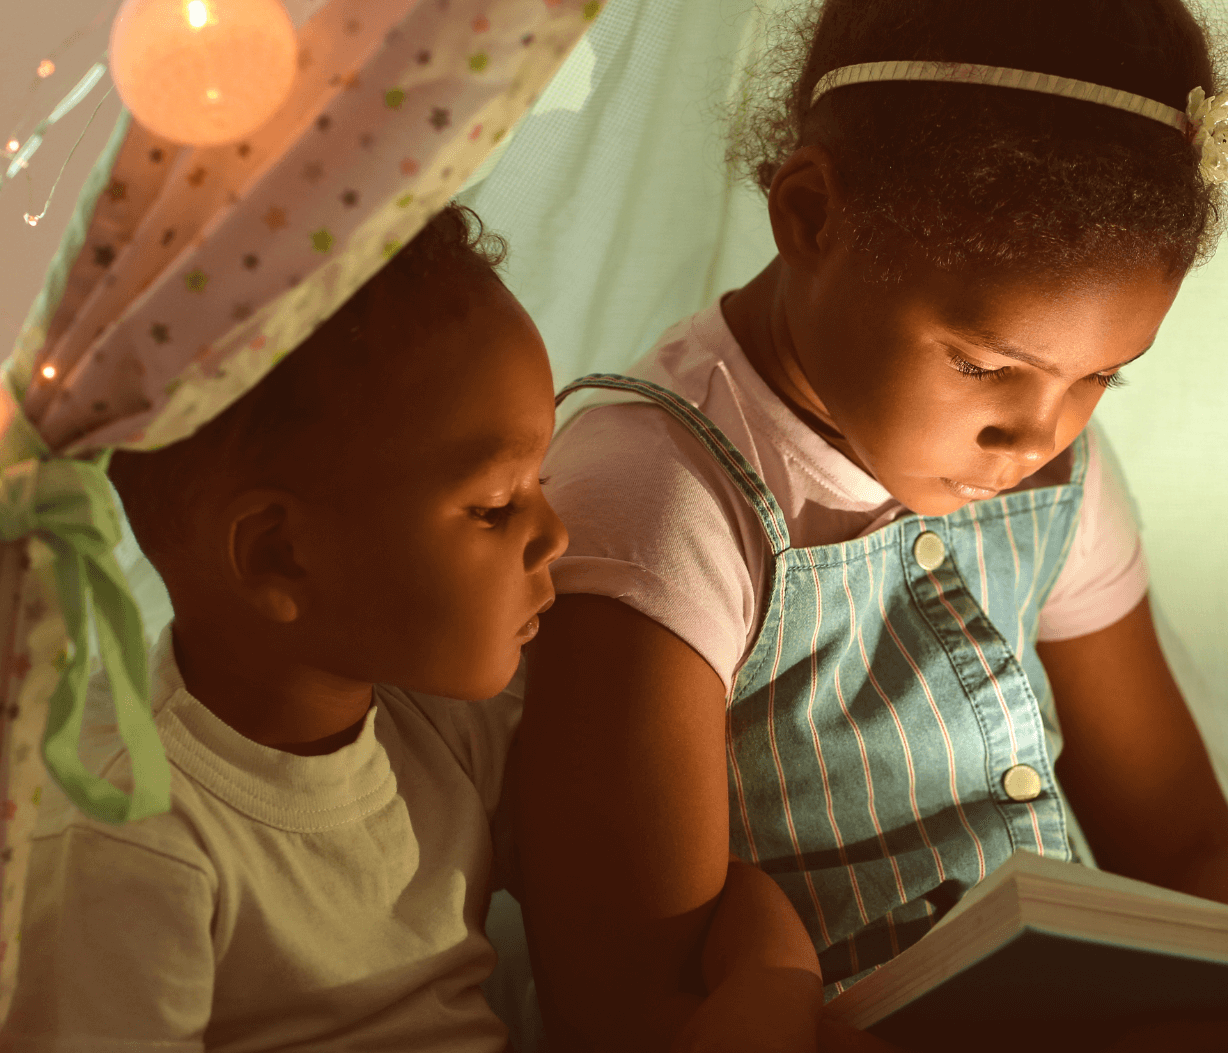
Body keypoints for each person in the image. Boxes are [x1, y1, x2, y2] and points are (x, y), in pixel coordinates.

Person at [512, 0, 1228, 1049]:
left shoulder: (1044, 463)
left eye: (1103, 376)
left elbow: (1185, 849)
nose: (1038, 434)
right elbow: (631, 1015)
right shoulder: (660, 506)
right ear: (811, 215)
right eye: (982, 365)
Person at [7, 204, 817, 1053]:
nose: (555, 534)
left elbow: (667, 882)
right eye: (495, 505)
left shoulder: (440, 724)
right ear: (283, 555)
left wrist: (773, 973)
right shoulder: (127, 836)